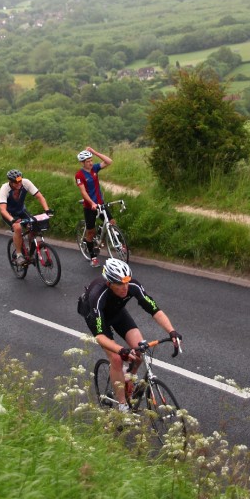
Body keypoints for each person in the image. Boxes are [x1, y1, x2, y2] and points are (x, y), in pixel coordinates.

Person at [78, 258, 182, 412]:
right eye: (120, 284)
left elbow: (154, 309)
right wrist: (121, 350)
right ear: (109, 283)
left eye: (127, 282)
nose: (125, 287)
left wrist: (172, 331)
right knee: (116, 359)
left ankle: (127, 378)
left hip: (117, 313)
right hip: (96, 317)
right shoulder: (98, 294)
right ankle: (122, 405)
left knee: (140, 350)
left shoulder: (132, 285)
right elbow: (100, 336)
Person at [0, 169, 51, 266]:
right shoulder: (4, 189)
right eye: (16, 182)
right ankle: (19, 255)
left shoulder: (25, 183)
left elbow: (40, 196)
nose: (19, 183)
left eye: (20, 181)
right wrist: (12, 220)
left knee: (34, 226)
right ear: (10, 182)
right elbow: (2, 209)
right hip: (9, 213)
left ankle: (30, 253)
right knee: (17, 227)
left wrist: (47, 210)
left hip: (21, 211)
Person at [75, 147, 114, 267]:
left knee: (112, 222)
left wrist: (95, 152)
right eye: (88, 161)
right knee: (90, 232)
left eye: (91, 160)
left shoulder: (95, 169)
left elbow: (109, 161)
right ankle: (93, 257)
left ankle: (117, 244)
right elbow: (83, 192)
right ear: (82, 163)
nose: (91, 163)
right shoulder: (79, 175)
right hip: (89, 206)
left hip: (101, 203)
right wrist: (92, 203)